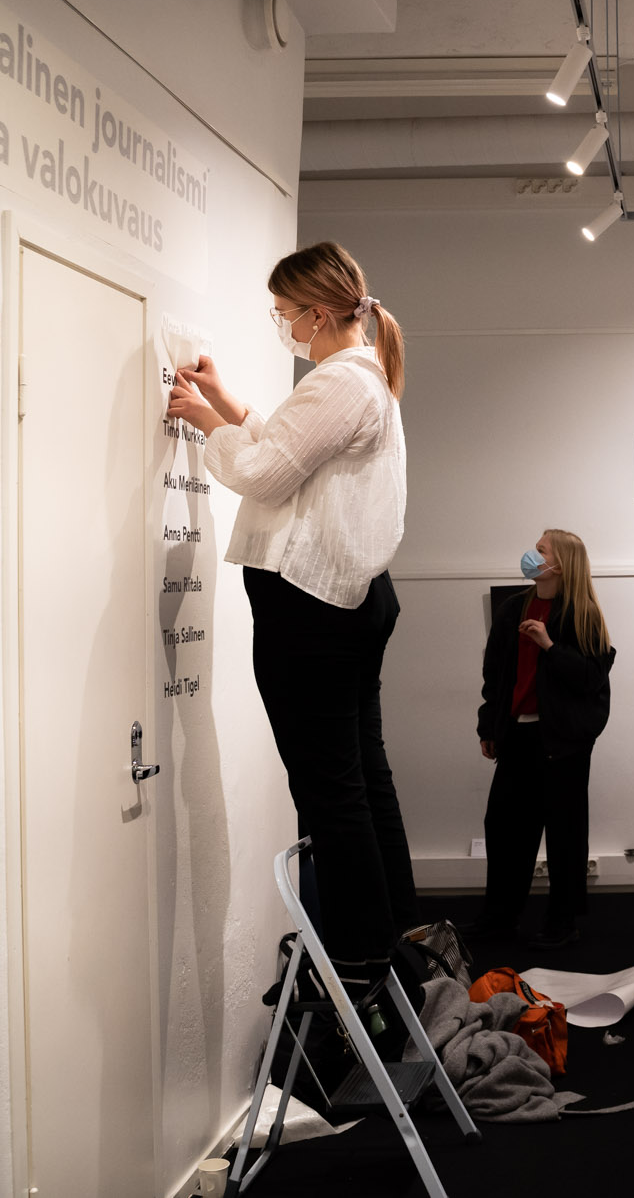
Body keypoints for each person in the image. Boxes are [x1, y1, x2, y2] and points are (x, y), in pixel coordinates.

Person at [165, 240, 414, 1004]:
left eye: (283, 313)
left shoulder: (341, 381)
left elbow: (265, 470)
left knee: (330, 787)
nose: (282, 326)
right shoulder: (361, 378)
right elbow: (291, 446)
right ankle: (388, 943)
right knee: (359, 777)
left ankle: (360, 964)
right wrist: (227, 405)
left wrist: (206, 426)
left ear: (317, 312)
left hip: (313, 605)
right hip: (345, 600)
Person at [476, 529, 617, 949]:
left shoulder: (583, 614)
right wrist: (489, 726)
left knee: (565, 834)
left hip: (564, 741)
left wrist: (549, 645)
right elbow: (495, 676)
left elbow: (592, 678)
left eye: (541, 550)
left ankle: (563, 921)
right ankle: (500, 919)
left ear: (560, 564)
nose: (531, 555)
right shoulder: (512, 609)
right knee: (504, 827)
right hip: (517, 733)